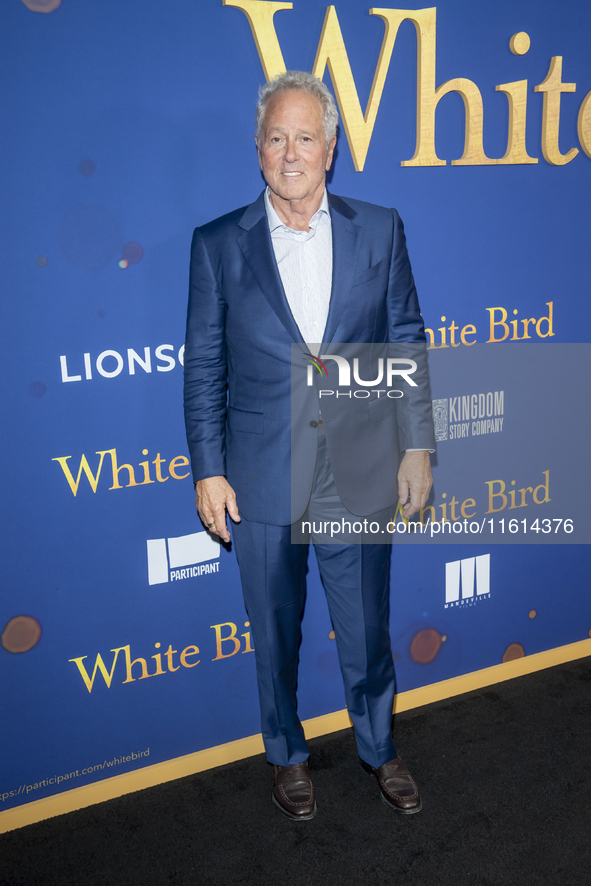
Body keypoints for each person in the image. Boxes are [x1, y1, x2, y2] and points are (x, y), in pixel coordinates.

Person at [184, 71, 435, 820]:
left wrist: (417, 444)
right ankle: (286, 753)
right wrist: (208, 469)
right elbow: (204, 364)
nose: (289, 152)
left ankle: (378, 747)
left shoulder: (379, 228)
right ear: (257, 150)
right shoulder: (217, 244)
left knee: (365, 627)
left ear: (330, 150)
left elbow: (405, 340)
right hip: (260, 474)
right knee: (273, 630)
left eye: (304, 137)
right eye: (274, 138)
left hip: (356, 469)